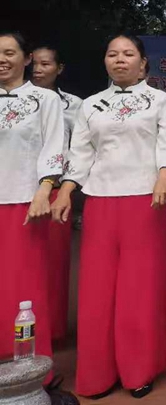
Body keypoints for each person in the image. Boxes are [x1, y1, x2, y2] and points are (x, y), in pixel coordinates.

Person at [51, 35, 166, 399]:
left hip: (145, 200)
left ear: (143, 62)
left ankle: (138, 369)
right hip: (101, 200)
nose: (120, 59)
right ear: (105, 61)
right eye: (112, 54)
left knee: (140, 288)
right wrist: (66, 191)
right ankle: (98, 372)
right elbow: (80, 153)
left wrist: (164, 178)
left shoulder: (160, 101)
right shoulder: (91, 105)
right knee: (98, 289)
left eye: (128, 54)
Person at [0, 32, 64, 369]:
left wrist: (44, 189)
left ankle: (29, 366)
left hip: (24, 202)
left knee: (24, 284)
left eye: (9, 52)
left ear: (26, 59)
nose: (2, 59)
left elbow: (54, 146)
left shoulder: (45, 100)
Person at [30, 43, 82, 344]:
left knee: (53, 261)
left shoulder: (74, 105)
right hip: (18, 188)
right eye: (35, 63)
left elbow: (79, 148)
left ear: (59, 68)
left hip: (56, 188)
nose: (38, 69)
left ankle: (53, 329)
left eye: (46, 64)